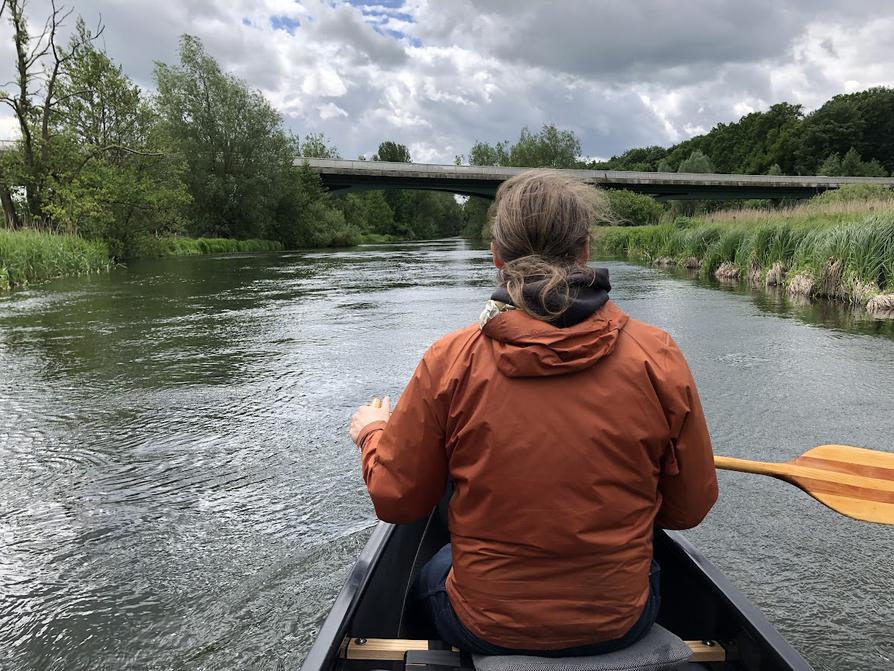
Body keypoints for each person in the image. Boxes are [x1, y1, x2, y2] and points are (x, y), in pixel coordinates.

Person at [349, 169, 718, 656]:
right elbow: (688, 510)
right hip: (620, 618)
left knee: (435, 568)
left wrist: (374, 433)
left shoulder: (451, 359)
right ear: (585, 249)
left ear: (497, 255)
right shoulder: (657, 355)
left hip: (487, 623)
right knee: (649, 565)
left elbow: (400, 502)